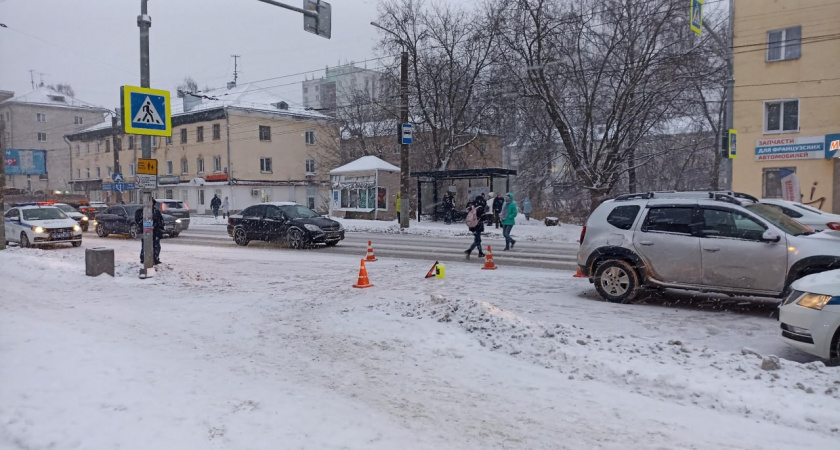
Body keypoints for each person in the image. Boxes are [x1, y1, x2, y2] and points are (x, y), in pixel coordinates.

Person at [135, 200, 165, 265]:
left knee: (156, 246)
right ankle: (144, 259)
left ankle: (155, 259)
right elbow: (138, 221)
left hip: (155, 232)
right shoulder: (141, 211)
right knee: (146, 245)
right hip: (146, 232)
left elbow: (161, 220)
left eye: (151, 203)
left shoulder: (156, 211)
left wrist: (160, 228)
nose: (150, 204)